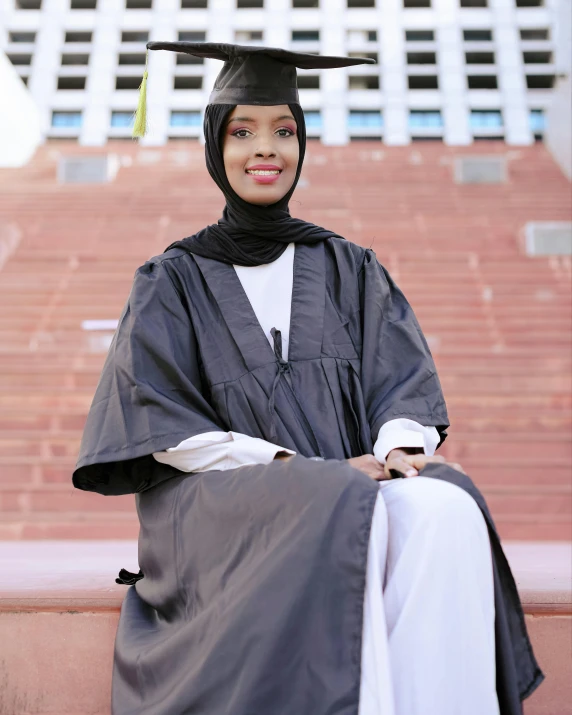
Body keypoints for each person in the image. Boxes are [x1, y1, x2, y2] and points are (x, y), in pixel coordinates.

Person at [73, 43, 543, 715]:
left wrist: (399, 446)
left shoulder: (349, 266)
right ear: (215, 144)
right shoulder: (170, 280)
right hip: (222, 503)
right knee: (340, 506)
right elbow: (164, 423)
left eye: (283, 130)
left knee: (447, 507)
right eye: (243, 131)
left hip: (346, 478)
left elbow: (398, 379)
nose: (266, 149)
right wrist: (296, 465)